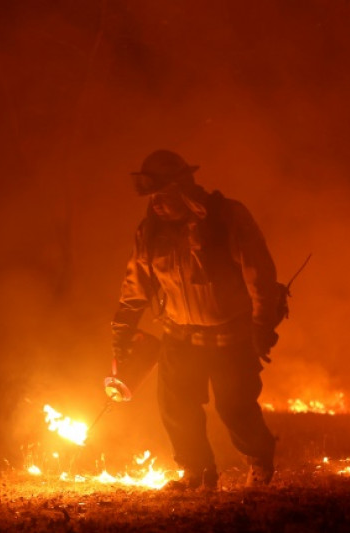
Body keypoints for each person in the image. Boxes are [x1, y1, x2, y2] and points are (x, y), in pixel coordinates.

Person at [111, 149, 282, 490]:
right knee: (176, 408)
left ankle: (259, 460)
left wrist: (261, 326)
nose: (157, 204)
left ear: (185, 187)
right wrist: (121, 333)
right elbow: (135, 288)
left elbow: (259, 274)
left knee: (235, 407)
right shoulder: (150, 232)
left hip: (231, 333)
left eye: (164, 195)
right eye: (153, 198)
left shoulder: (226, 218)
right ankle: (197, 473)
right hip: (179, 335)